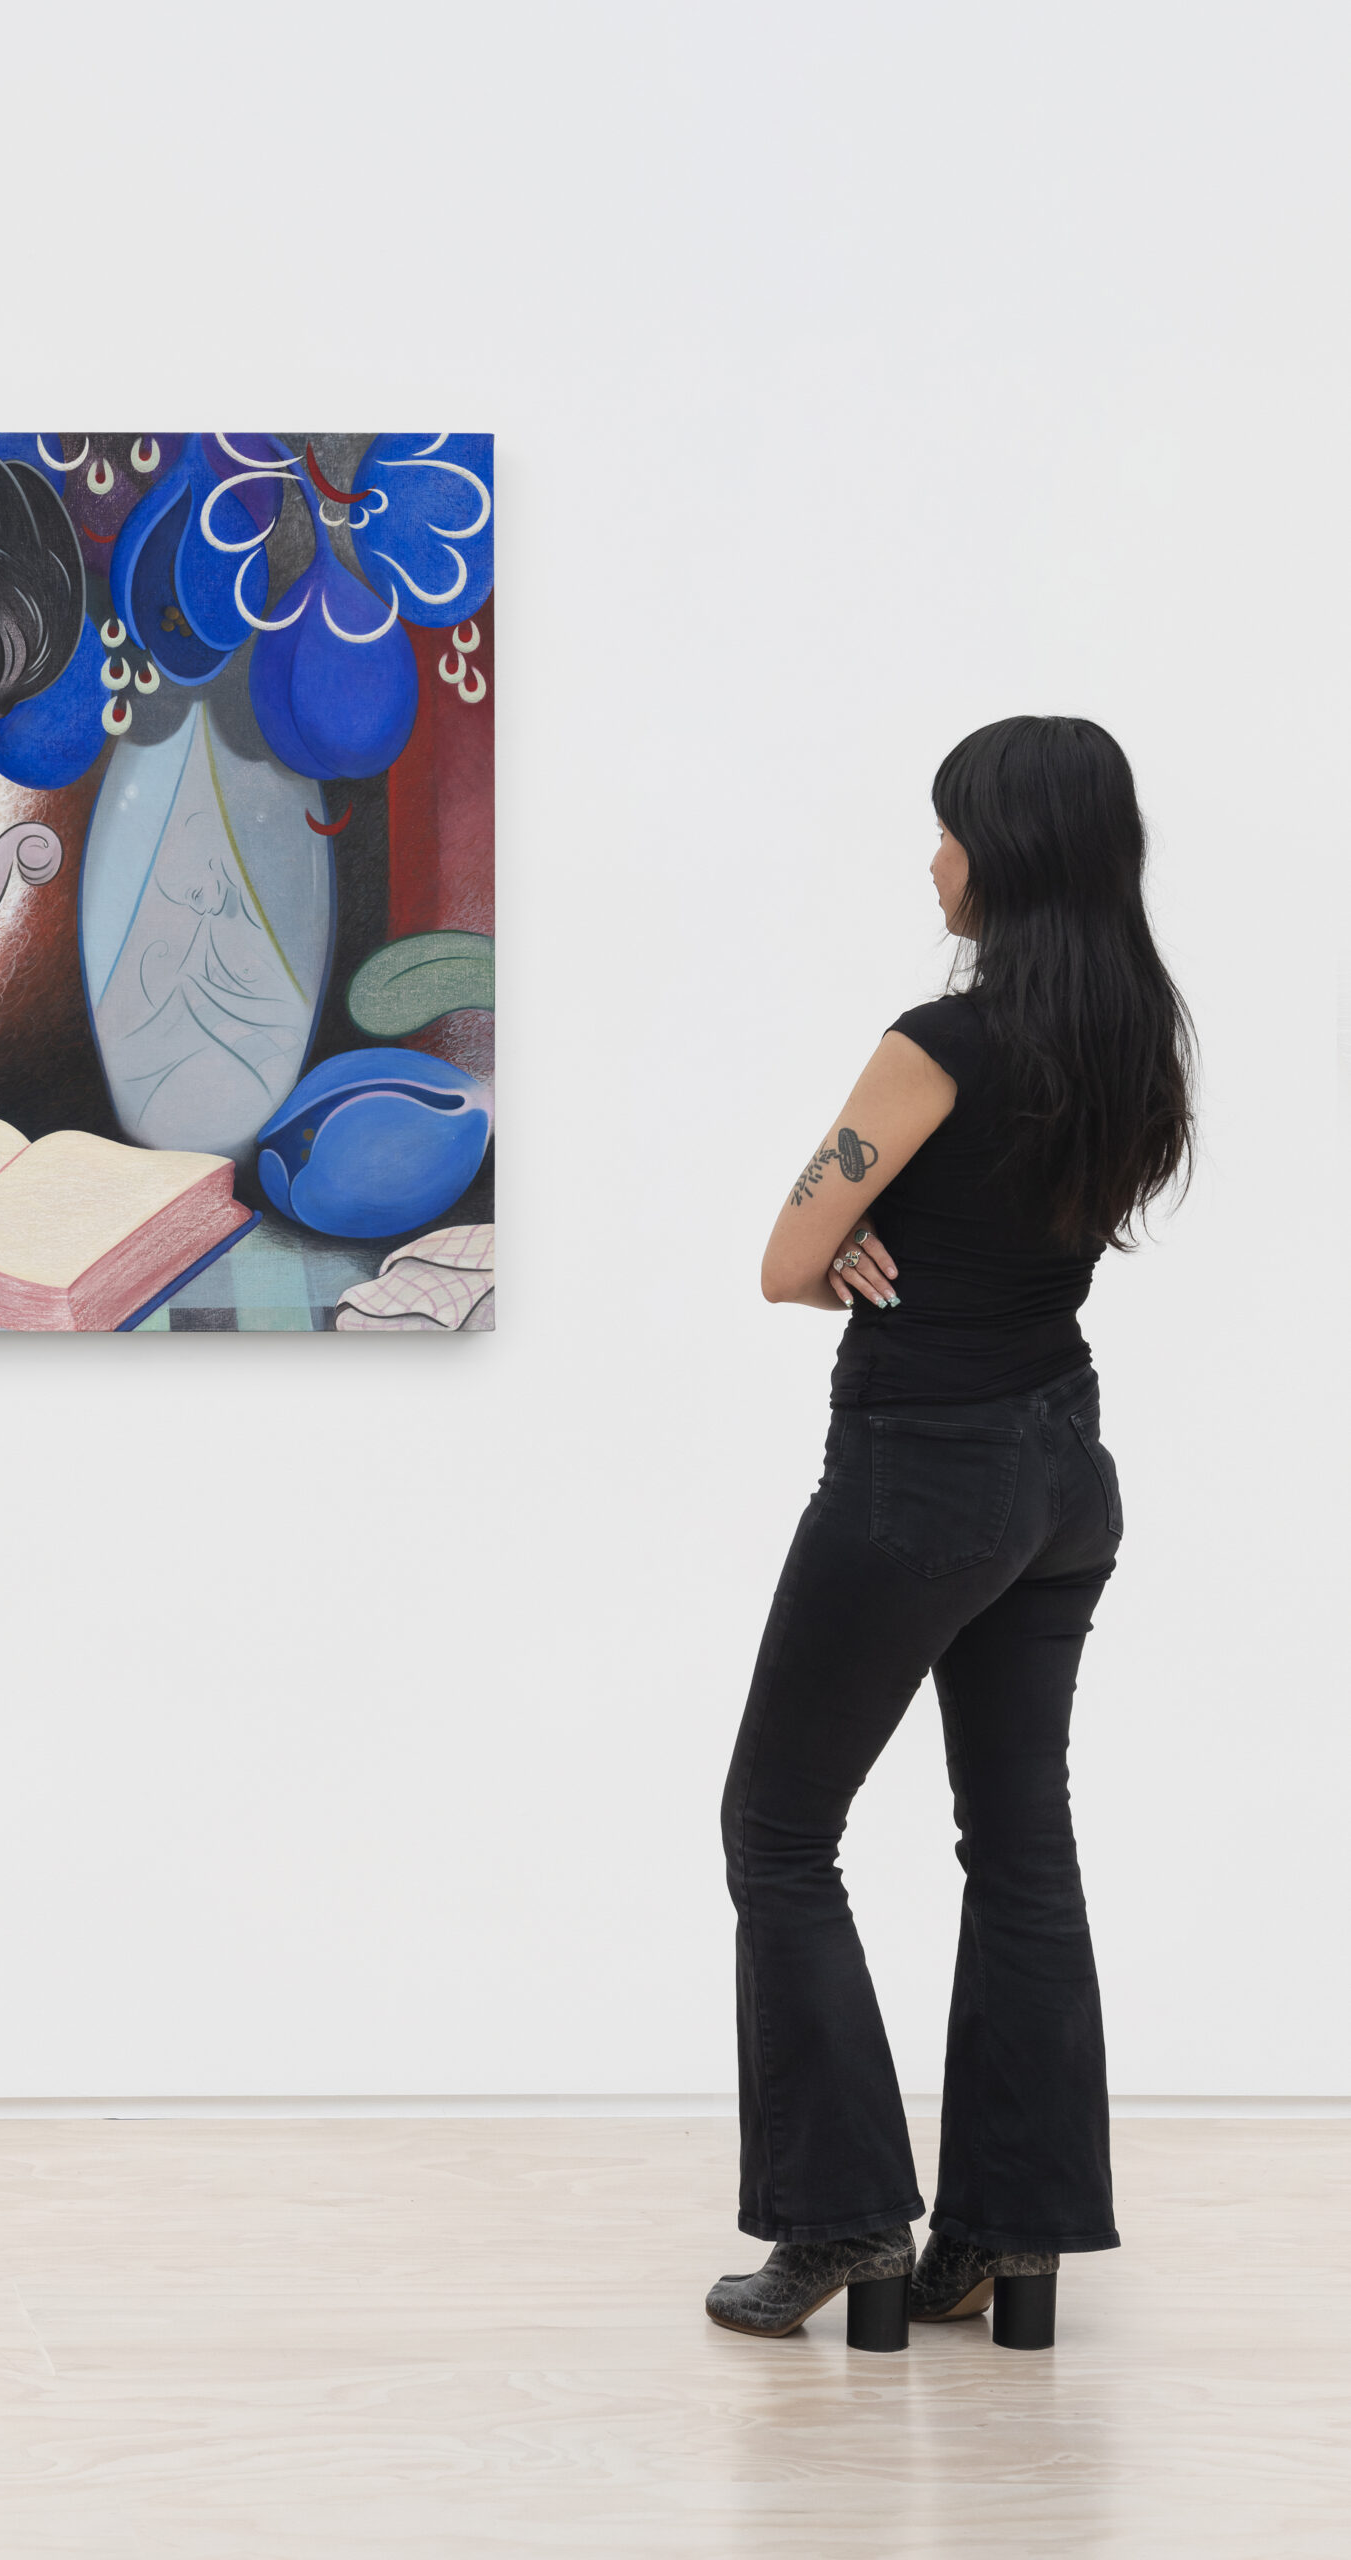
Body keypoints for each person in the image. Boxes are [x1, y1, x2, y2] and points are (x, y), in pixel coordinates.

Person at [706, 716, 1195, 2354]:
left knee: (779, 1832)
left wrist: (848, 1244)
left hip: (921, 1477)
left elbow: (785, 1261)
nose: (935, 864)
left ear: (1009, 854)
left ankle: (844, 2220)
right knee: (1021, 1841)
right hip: (1064, 1476)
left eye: (950, 832)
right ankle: (1012, 2235)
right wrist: (871, 1238)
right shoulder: (1137, 1045)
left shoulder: (935, 1046)